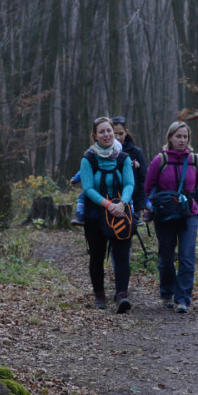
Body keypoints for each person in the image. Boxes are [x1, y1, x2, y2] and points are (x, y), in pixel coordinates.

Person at [70, 116, 135, 312]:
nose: (107, 135)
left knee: (122, 255)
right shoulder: (88, 159)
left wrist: (122, 203)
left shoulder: (123, 158)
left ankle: (122, 295)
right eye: (102, 132)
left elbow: (130, 184)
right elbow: (88, 188)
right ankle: (99, 295)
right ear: (95, 136)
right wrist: (109, 205)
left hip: (121, 213)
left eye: (109, 131)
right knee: (97, 256)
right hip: (95, 215)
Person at [143, 120, 198, 314]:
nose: (182, 140)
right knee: (167, 256)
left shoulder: (195, 160)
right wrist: (148, 207)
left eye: (185, 136)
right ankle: (167, 293)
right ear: (170, 137)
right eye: (178, 136)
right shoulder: (160, 160)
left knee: (187, 257)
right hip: (165, 213)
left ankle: (183, 299)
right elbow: (148, 187)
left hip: (188, 213)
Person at [112, 117, 147, 224]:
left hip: (133, 202)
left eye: (120, 134)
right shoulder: (102, 154)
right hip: (110, 200)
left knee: (126, 234)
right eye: (114, 134)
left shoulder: (136, 152)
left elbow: (143, 179)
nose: (117, 137)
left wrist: (142, 204)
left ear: (126, 132)